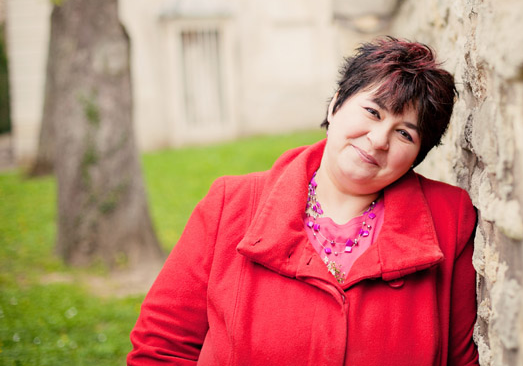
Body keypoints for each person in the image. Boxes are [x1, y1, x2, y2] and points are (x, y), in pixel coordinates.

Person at [128, 37, 479, 365]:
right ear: (336, 103)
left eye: (405, 133)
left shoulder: (449, 220)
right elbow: (160, 347)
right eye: (373, 112)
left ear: (419, 154)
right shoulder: (230, 204)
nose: (378, 140)